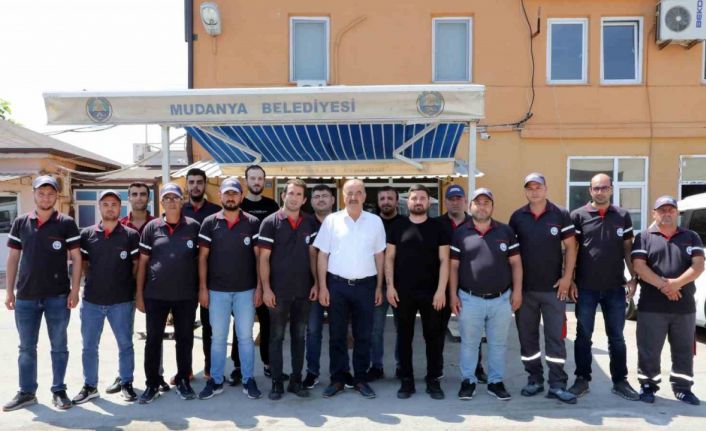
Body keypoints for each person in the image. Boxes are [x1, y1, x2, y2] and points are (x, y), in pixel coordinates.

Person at [3, 175, 82, 411]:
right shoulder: (21, 222)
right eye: (41, 193)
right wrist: (9, 291)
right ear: (34, 194)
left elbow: (77, 258)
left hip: (57, 297)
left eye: (50, 193)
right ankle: (27, 392)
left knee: (59, 346)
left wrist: (74, 290)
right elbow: (13, 257)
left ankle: (59, 390)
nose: (46, 198)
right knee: (26, 348)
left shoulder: (66, 223)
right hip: (26, 297)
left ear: (56, 196)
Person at [568, 173, 640, 401]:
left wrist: (633, 277)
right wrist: (570, 280)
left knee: (616, 337)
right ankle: (582, 379)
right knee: (583, 336)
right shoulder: (578, 216)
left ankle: (620, 381)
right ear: (590, 190)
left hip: (614, 288)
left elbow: (628, 249)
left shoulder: (622, 216)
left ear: (611, 189)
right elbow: (571, 250)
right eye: (596, 188)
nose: (600, 191)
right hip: (585, 288)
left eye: (604, 187)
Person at [508, 173, 577, 404]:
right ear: (525, 191)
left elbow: (571, 247)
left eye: (538, 187)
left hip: (554, 290)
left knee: (555, 338)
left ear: (546, 189)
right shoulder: (517, 217)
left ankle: (557, 384)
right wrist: (515, 289)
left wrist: (567, 278)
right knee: (527, 338)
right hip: (525, 290)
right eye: (530, 188)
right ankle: (534, 379)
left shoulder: (560, 214)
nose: (534, 191)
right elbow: (511, 255)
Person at [315, 179, 386, 399]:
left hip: (366, 287)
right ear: (342, 196)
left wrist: (379, 287)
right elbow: (322, 255)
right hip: (337, 286)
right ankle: (338, 378)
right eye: (349, 193)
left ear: (364, 195)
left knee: (363, 335)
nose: (353, 197)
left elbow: (380, 256)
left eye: (358, 192)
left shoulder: (375, 222)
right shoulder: (332, 221)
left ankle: (360, 379)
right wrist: (323, 286)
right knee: (337, 335)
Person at [450, 188, 522, 401]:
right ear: (470, 205)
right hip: (469, 299)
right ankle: (468, 381)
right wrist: (453, 295)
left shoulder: (505, 231)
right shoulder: (460, 233)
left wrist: (517, 291)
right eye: (478, 203)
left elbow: (516, 263)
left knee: (498, 344)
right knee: (469, 343)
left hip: (501, 299)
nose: (482, 207)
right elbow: (453, 267)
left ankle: (495, 382)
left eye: (486, 203)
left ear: (492, 206)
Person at [632, 195, 705, 405]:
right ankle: (648, 386)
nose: (666, 214)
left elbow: (698, 266)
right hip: (651, 306)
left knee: (684, 350)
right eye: (662, 210)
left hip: (684, 307)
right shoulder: (644, 237)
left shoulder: (691, 236)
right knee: (649, 350)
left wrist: (676, 284)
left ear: (677, 213)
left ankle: (683, 388)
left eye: (671, 210)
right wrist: (665, 286)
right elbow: (639, 267)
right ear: (654, 214)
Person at [197, 178, 263, 400]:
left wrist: (260, 287)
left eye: (235, 193)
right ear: (221, 196)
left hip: (246, 291)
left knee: (245, 337)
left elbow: (259, 258)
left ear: (241, 196)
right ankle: (216, 380)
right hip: (217, 291)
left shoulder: (252, 222)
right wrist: (203, 288)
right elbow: (202, 258)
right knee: (218, 338)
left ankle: (248, 379)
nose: (231, 197)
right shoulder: (209, 223)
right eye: (227, 193)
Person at [72, 190, 140, 404]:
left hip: (122, 301)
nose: (110, 208)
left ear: (120, 207)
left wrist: (127, 286)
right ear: (99, 207)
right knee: (89, 346)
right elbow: (83, 264)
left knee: (125, 344)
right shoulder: (87, 234)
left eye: (114, 204)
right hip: (92, 301)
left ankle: (126, 382)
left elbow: (136, 266)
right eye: (106, 204)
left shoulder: (130, 235)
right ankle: (90, 386)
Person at [136, 183, 200, 404]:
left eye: (175, 198)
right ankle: (152, 383)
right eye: (167, 198)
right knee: (153, 340)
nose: (171, 202)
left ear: (182, 201)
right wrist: (139, 293)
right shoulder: (151, 228)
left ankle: (183, 380)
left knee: (185, 339)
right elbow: (143, 263)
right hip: (156, 295)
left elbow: (201, 261)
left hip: (186, 295)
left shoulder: (193, 227)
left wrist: (201, 289)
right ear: (161, 202)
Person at [386, 184, 450, 399]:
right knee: (404, 337)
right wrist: (390, 286)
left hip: (432, 293)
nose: (418, 202)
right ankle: (407, 381)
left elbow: (445, 260)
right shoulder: (397, 227)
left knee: (434, 338)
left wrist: (441, 290)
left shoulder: (439, 227)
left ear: (429, 202)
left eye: (422, 198)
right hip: (402, 293)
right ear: (408, 202)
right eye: (414, 198)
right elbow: (389, 258)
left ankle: (433, 380)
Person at [259, 179, 319, 399]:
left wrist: (317, 283)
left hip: (303, 291)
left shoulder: (310, 222)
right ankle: (277, 382)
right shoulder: (270, 222)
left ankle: (296, 381)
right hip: (278, 292)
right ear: (283, 195)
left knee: (299, 336)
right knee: (276, 337)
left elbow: (313, 254)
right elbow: (263, 259)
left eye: (298, 194)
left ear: (304, 200)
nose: (294, 198)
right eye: (290, 193)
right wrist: (266, 289)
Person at [109, 182, 164, 395]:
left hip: (155, 287)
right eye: (134, 194)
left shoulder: (158, 224)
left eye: (142, 194)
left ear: (148, 198)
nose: (139, 197)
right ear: (129, 198)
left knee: (155, 334)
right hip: (125, 289)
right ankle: (123, 377)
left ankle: (157, 375)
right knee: (125, 335)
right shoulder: (120, 225)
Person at [232, 164, 281, 384]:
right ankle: (238, 366)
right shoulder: (237, 205)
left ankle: (269, 364)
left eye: (260, 178)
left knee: (268, 322)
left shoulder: (272, 206)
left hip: (268, 272)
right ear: (246, 181)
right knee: (241, 324)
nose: (256, 182)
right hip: (242, 273)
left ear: (264, 181)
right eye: (252, 178)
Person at [436, 184, 487, 384]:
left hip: (467, 284)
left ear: (466, 201)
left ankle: (476, 368)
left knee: (472, 331)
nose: (455, 202)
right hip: (441, 284)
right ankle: (436, 368)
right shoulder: (437, 224)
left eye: (459, 198)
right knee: (437, 330)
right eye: (451, 199)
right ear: (446, 202)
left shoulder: (475, 223)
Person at [181, 168, 221, 383]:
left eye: (199, 182)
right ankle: (185, 370)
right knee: (185, 327)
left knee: (209, 326)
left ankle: (209, 368)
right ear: (186, 185)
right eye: (191, 182)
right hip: (184, 277)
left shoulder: (216, 211)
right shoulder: (179, 210)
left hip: (210, 276)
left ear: (205, 184)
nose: (195, 186)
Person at [367, 186, 403, 381]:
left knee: (402, 328)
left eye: (390, 198)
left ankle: (401, 366)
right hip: (376, 285)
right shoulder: (370, 223)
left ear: (396, 201)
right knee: (375, 329)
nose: (386, 202)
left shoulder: (406, 223)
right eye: (382, 198)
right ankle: (376, 366)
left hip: (402, 284)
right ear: (378, 202)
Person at [303, 184, 337, 389]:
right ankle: (312, 372)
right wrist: (317, 283)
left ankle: (338, 374)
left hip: (340, 285)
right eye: (317, 196)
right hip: (312, 287)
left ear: (333, 199)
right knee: (313, 331)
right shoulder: (305, 222)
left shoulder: (342, 221)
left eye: (325, 196)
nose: (321, 199)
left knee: (338, 332)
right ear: (311, 201)